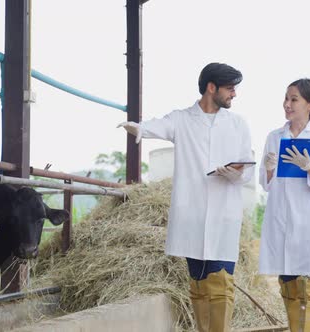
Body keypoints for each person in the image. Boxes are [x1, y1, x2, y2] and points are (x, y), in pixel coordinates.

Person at [118, 62, 253, 332]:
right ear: (211, 87)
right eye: (230, 88)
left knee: (222, 282)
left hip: (224, 214)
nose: (234, 94)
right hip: (192, 214)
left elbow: (247, 168)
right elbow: (160, 125)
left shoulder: (237, 124)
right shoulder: (182, 119)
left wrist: (232, 173)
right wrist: (137, 127)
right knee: (200, 282)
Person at [258, 78, 310, 332]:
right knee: (288, 283)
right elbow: (265, 183)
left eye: (294, 99)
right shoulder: (274, 137)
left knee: (308, 287)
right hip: (282, 221)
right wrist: (270, 169)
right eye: (286, 98)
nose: (287, 104)